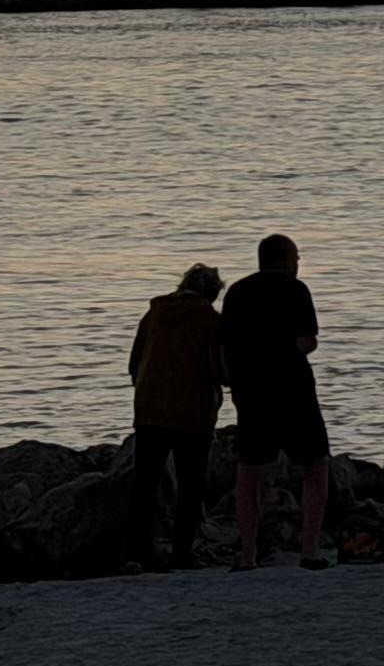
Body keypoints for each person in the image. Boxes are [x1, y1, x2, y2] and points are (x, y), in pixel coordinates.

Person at [219, 232, 330, 568]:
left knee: (249, 470)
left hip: (251, 392)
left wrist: (233, 380)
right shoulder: (296, 291)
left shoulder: (237, 292)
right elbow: (308, 341)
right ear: (286, 259)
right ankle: (309, 549)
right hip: (294, 390)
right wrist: (286, 351)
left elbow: (224, 345)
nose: (298, 265)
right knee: (315, 465)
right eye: (296, 259)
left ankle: (248, 553)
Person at [125, 262, 225, 569]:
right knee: (190, 487)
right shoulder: (210, 321)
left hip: (150, 411)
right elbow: (221, 370)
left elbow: (133, 364)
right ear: (211, 294)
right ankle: (182, 552)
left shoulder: (154, 314)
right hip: (192, 415)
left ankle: (137, 554)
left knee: (145, 487)